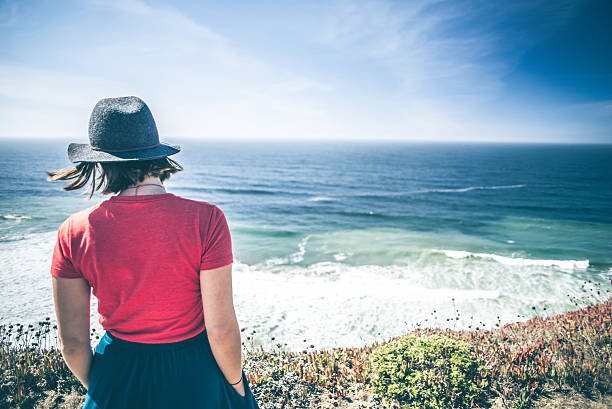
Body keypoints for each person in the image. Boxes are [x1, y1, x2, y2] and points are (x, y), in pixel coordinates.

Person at [46, 96, 259, 409]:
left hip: (116, 369)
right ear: (156, 156)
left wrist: (106, 388)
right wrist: (237, 386)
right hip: (194, 373)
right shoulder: (206, 219)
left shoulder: (74, 230)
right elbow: (221, 329)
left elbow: (73, 344)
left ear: (99, 161)